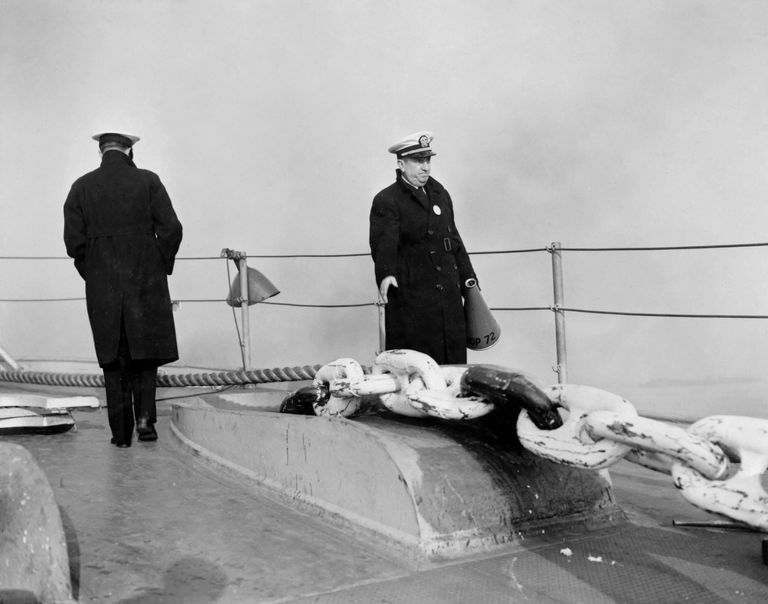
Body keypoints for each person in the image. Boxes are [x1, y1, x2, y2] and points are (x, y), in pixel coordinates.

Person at [63, 130, 183, 447]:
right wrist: (158, 264)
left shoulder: (81, 187)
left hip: (103, 287)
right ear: (129, 152)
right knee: (145, 355)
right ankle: (145, 422)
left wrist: (95, 273)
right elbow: (171, 229)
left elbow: (74, 243)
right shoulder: (148, 181)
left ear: (101, 152)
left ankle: (120, 434)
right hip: (145, 280)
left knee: (114, 360)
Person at [369, 131, 476, 364]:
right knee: (418, 366)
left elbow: (454, 240)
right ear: (401, 164)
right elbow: (382, 245)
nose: (425, 167)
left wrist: (469, 280)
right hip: (413, 294)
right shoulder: (388, 200)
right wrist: (386, 275)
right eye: (418, 161)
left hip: (448, 293)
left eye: (427, 160)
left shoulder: (440, 195)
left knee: (453, 365)